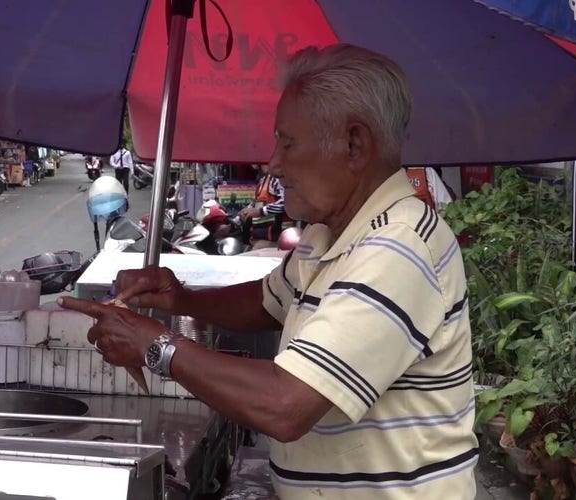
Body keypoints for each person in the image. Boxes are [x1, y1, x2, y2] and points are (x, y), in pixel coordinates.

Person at [61, 43, 477, 499]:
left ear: (354, 145)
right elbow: (266, 302)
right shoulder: (329, 231)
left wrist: (155, 346)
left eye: (287, 142)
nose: (274, 162)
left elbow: (286, 404)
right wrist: (179, 297)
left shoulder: (398, 247)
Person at [238, 164, 293, 249]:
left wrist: (261, 211)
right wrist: (241, 215)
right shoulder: (263, 181)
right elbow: (253, 205)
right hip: (260, 238)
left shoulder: (275, 179)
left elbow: (287, 202)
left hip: (274, 240)